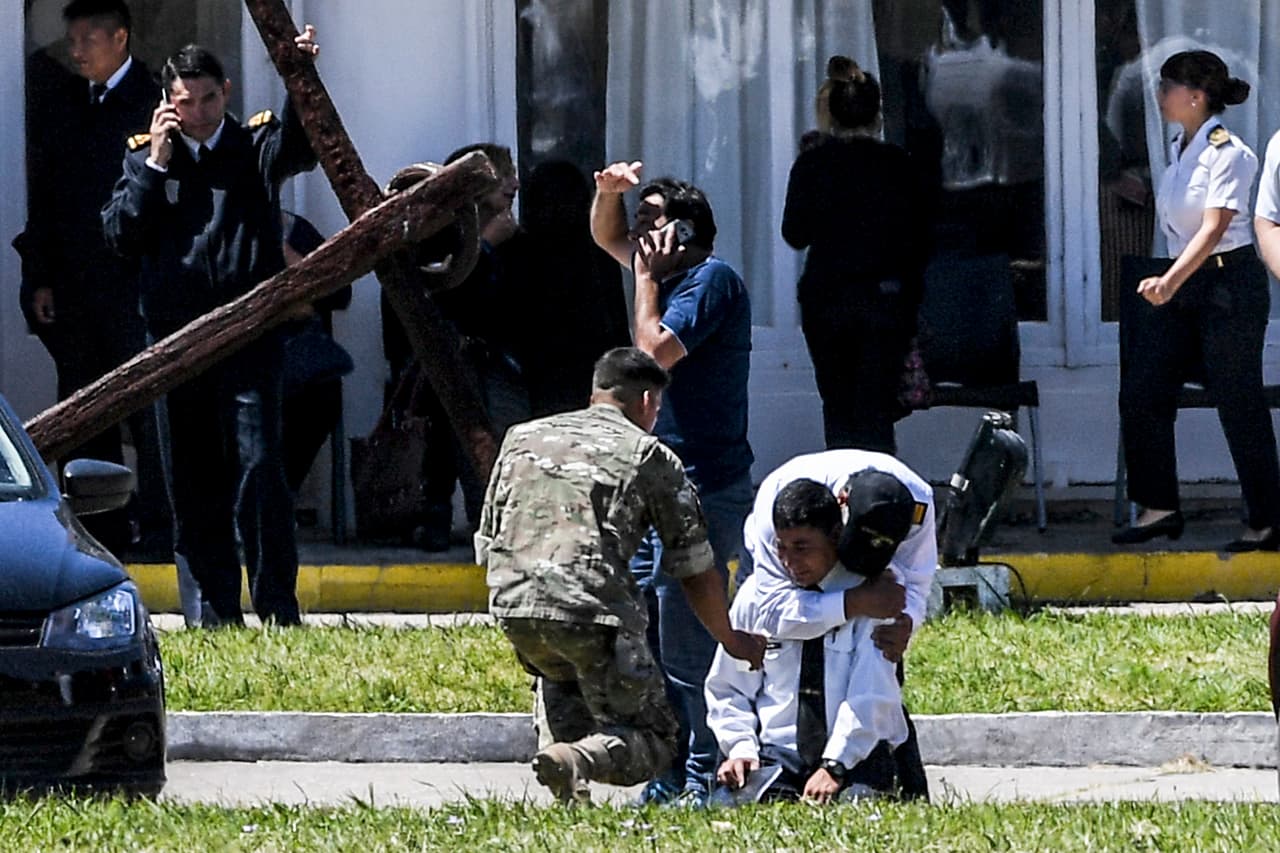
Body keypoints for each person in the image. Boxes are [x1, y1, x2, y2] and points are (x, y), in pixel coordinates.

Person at [475, 347, 765, 804]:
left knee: (564, 683)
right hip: (591, 614)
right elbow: (693, 567)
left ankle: (569, 784)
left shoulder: (521, 437)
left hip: (513, 605)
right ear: (648, 401)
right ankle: (580, 762)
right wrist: (731, 639)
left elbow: (487, 539)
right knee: (655, 738)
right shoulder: (649, 454)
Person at [102, 29, 322, 626]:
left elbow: (306, 147)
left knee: (260, 468)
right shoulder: (144, 155)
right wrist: (155, 163)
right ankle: (213, 614)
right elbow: (120, 235)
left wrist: (299, 74)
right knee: (191, 479)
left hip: (250, 335)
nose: (198, 114)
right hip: (176, 344)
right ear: (167, 104)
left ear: (225, 93)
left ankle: (277, 606)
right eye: (185, 103)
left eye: (207, 99)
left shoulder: (254, 146)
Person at [591, 162, 755, 805]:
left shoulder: (710, 282)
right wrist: (608, 195)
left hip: (703, 486)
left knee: (688, 648)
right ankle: (663, 772)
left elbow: (649, 352)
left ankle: (699, 775)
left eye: (648, 218)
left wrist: (647, 282)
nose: (636, 232)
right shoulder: (662, 275)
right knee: (651, 643)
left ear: (683, 229)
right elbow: (607, 240)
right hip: (654, 485)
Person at [14, 0, 170, 557]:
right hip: (79, 290)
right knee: (85, 411)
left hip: (137, 290)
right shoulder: (68, 104)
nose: (76, 51)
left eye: (88, 39)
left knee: (152, 416)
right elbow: (52, 203)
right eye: (71, 40)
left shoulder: (152, 103)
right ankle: (98, 534)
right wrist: (41, 276)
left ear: (120, 38)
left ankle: (158, 532)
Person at [1114, 50, 1280, 551]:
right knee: (1143, 390)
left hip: (1226, 286)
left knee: (1237, 398)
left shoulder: (1230, 153)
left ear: (1196, 96)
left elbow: (1214, 229)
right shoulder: (1180, 147)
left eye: (1167, 87)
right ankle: (1159, 506)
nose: (1160, 96)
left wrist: (1168, 282)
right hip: (1184, 284)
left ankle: (1267, 518)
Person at [743, 448, 937, 800]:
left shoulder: (917, 503)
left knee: (878, 667)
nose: (865, 564)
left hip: (869, 597)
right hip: (793, 583)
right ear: (841, 506)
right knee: (781, 666)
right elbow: (772, 612)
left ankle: (892, 769)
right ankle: (789, 762)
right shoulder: (778, 510)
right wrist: (853, 602)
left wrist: (906, 620)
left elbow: (916, 580)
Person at [707, 478, 910, 804]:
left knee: (860, 807)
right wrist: (740, 747)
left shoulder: (872, 595)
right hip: (778, 751)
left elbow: (871, 693)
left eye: (802, 548)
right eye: (781, 547)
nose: (789, 561)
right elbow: (729, 686)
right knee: (732, 806)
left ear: (834, 536)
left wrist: (835, 765)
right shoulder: (758, 596)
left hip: (854, 752)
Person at [381, 142, 528, 551]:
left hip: (488, 358)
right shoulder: (434, 232)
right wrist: (482, 247)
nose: (514, 184)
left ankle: (492, 521)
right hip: (435, 359)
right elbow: (442, 292)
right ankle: (434, 517)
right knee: (441, 435)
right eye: (504, 176)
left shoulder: (512, 236)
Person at [781, 56, 931, 454]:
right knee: (877, 410)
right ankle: (880, 500)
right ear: (877, 114)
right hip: (886, 299)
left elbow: (794, 234)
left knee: (839, 405)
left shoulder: (813, 164)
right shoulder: (899, 165)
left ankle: (842, 496)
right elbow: (922, 236)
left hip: (828, 299)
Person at [509, 159, 630, 417]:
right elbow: (615, 318)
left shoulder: (521, 251)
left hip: (538, 374)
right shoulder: (598, 250)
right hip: (591, 372)